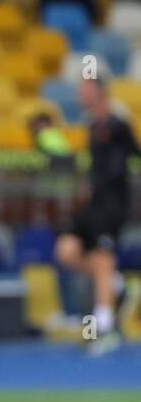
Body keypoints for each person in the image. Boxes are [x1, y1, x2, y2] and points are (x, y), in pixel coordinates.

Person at [55, 77, 139, 356]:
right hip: (92, 206)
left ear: (100, 93)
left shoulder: (118, 125)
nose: (80, 94)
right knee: (66, 251)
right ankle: (116, 284)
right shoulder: (90, 127)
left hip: (113, 206)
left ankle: (104, 328)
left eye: (85, 90)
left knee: (103, 258)